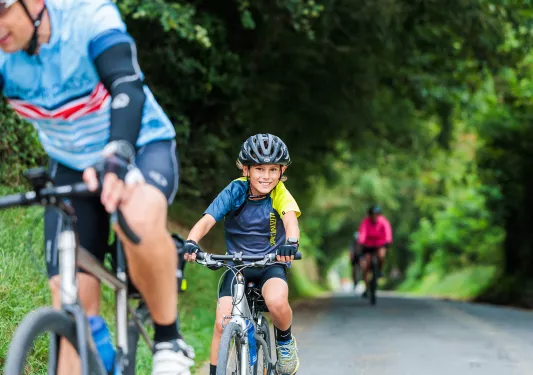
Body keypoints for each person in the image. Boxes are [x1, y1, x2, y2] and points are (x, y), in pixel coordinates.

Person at [0, 0, 193, 374]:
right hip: (71, 164)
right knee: (67, 296)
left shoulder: (88, 15)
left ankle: (169, 341)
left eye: (1, 10)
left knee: (135, 219)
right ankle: (97, 356)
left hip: (137, 146)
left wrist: (117, 158)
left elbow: (126, 84)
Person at [184, 133, 301, 375]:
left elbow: (290, 220)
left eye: (272, 170)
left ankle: (285, 343)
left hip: (270, 263)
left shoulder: (280, 193)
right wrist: (191, 242)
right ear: (246, 169)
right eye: (259, 169)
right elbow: (208, 220)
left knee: (277, 301)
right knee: (221, 323)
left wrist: (291, 243)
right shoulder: (235, 190)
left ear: (281, 171)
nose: (266, 176)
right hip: (236, 265)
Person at [356, 205, 392, 298]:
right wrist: (361, 242)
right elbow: (362, 234)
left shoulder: (383, 222)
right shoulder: (365, 222)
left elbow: (388, 234)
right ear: (370, 215)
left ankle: (379, 270)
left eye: (377, 214)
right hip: (368, 245)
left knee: (381, 255)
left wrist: (387, 241)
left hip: (380, 244)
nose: (375, 216)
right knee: (366, 265)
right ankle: (366, 287)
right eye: (373, 214)